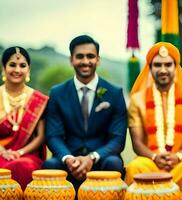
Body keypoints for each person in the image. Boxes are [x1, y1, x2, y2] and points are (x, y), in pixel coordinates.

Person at [43, 35, 127, 190]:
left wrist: (92, 158)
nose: (85, 61)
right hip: (69, 160)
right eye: (79, 56)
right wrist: (68, 159)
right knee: (50, 165)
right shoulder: (57, 93)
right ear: (71, 60)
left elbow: (118, 139)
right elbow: (53, 136)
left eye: (90, 56)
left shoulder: (114, 93)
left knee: (114, 162)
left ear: (98, 59)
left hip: (102, 159)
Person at [125, 42, 182, 187]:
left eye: (168, 65)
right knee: (134, 167)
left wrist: (178, 156)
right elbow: (137, 143)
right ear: (149, 68)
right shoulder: (137, 100)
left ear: (176, 68)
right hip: (150, 162)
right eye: (157, 65)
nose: (163, 70)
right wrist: (154, 157)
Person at [0, 46, 48, 190]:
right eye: (12, 65)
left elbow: (41, 136)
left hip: (27, 155)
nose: (17, 70)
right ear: (4, 68)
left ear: (29, 69)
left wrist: (19, 152)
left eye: (22, 65)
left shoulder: (38, 100)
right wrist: (2, 151)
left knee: (21, 166)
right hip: (0, 152)